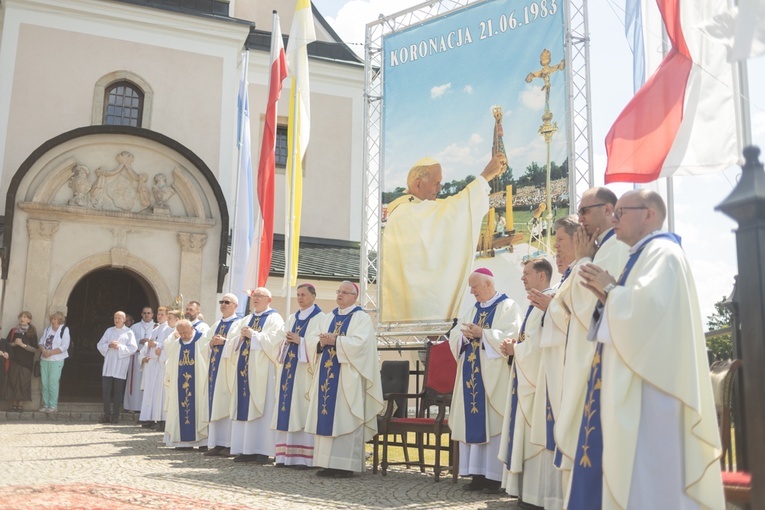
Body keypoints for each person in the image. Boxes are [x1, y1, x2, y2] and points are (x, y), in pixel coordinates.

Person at [573, 190, 724, 509]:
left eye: (621, 212)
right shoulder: (642, 255)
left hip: (655, 391)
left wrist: (610, 289)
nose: (614, 218)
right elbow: (632, 310)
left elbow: (647, 311)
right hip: (642, 384)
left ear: (648, 215)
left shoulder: (663, 252)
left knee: (652, 480)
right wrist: (607, 294)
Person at [551, 188, 629, 502]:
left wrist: (583, 259)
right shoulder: (604, 248)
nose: (580, 218)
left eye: (585, 211)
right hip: (586, 355)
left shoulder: (615, 248)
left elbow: (587, 306)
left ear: (609, 209)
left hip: (597, 358)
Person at [382, 152, 508, 322]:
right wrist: (485, 176)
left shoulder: (417, 209)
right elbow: (454, 212)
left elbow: (452, 208)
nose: (440, 188)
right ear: (418, 184)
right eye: (436, 183)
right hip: (416, 308)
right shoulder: (406, 212)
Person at [448, 269, 521, 492]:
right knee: (473, 421)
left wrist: (484, 334)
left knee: (493, 422)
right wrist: (463, 336)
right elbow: (455, 334)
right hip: (471, 373)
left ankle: (494, 477)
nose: (472, 291)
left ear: (488, 283)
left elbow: (513, 335)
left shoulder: (508, 306)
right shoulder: (473, 309)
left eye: (474, 287)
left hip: (493, 378)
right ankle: (477, 475)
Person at [305, 281, 383, 478]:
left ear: (354, 296)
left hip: (348, 378)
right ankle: (326, 463)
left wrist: (336, 341)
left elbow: (361, 345)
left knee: (345, 415)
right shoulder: (328, 317)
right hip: (326, 374)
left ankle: (345, 465)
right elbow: (312, 339)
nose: (339, 295)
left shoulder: (361, 318)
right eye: (338, 292)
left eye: (344, 292)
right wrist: (320, 342)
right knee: (327, 415)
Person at [499, 258, 556, 507]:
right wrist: (517, 348)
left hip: (540, 381)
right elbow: (530, 340)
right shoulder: (536, 302)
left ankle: (537, 495)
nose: (522, 278)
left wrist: (517, 351)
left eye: (527, 274)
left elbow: (541, 344)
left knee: (537, 440)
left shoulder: (548, 301)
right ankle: (527, 493)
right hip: (527, 378)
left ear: (541, 276)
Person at [224, 288, 284, 463]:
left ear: (269, 299)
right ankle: (246, 449)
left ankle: (263, 450)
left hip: (263, 371)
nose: (255, 299)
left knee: (263, 407)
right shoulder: (247, 319)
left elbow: (275, 343)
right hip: (244, 369)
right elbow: (232, 342)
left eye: (259, 296)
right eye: (253, 296)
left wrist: (254, 336)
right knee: (244, 405)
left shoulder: (274, 318)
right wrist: (241, 338)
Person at [273, 283, 324, 468]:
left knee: (302, 409)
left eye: (303, 294)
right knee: (287, 409)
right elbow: (278, 339)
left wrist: (300, 341)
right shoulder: (292, 317)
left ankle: (303, 457)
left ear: (313, 296)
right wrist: (285, 341)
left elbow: (318, 343)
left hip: (305, 372)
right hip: (288, 370)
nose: (300, 298)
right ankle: (284, 456)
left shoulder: (320, 318)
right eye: (298, 295)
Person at [200, 294, 239, 457]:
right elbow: (202, 344)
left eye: (227, 302)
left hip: (227, 371)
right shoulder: (216, 324)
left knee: (226, 404)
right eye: (221, 302)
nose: (223, 304)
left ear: (235, 305)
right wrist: (210, 343)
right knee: (214, 404)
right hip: (213, 372)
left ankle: (229, 444)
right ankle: (216, 443)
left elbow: (238, 344)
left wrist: (225, 342)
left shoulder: (238, 324)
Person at [162, 319, 209, 449]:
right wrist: (173, 336)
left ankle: (202, 441)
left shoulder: (202, 340)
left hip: (199, 384)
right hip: (180, 385)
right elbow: (168, 348)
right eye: (180, 333)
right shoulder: (177, 344)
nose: (183, 336)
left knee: (199, 407)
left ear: (192, 329)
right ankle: (182, 442)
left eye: (185, 333)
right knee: (180, 407)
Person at [97, 311, 138, 424]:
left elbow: (133, 348)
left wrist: (119, 347)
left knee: (118, 392)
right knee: (106, 391)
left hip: (120, 366)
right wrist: (108, 345)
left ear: (124, 319)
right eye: (115, 317)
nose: (117, 320)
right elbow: (100, 345)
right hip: (109, 365)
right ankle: (106, 415)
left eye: (119, 318)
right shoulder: (109, 331)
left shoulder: (129, 332)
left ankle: (115, 416)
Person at [139, 306, 170, 430]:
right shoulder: (156, 328)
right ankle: (149, 417)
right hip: (152, 365)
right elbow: (149, 343)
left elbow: (168, 344)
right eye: (158, 314)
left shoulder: (169, 329)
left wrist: (156, 344)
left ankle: (161, 419)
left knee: (159, 394)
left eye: (162, 314)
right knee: (150, 393)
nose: (159, 316)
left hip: (160, 365)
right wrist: (147, 348)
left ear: (167, 316)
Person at [37, 312, 70, 413]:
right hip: (45, 359)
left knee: (53, 383)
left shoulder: (64, 330)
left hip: (56, 360)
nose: (53, 321)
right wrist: (44, 351)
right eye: (52, 319)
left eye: (55, 319)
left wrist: (51, 352)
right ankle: (45, 404)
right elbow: (41, 342)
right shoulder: (48, 329)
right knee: (44, 383)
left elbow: (64, 346)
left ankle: (53, 405)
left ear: (60, 320)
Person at [6, 311, 38, 412]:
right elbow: (7, 345)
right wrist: (15, 344)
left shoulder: (31, 332)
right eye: (21, 316)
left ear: (29, 320)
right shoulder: (13, 331)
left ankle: (20, 405)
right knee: (13, 382)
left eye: (25, 317)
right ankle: (14, 404)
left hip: (26, 363)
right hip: (15, 361)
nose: (22, 318)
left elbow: (35, 349)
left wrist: (23, 345)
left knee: (23, 383)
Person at [125, 306, 154, 414]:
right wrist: (139, 341)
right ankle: (133, 405)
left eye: (148, 313)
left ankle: (146, 408)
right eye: (144, 313)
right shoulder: (135, 327)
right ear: (141, 314)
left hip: (151, 359)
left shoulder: (156, 327)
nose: (146, 315)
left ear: (152, 315)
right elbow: (128, 342)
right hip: (136, 359)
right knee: (135, 382)